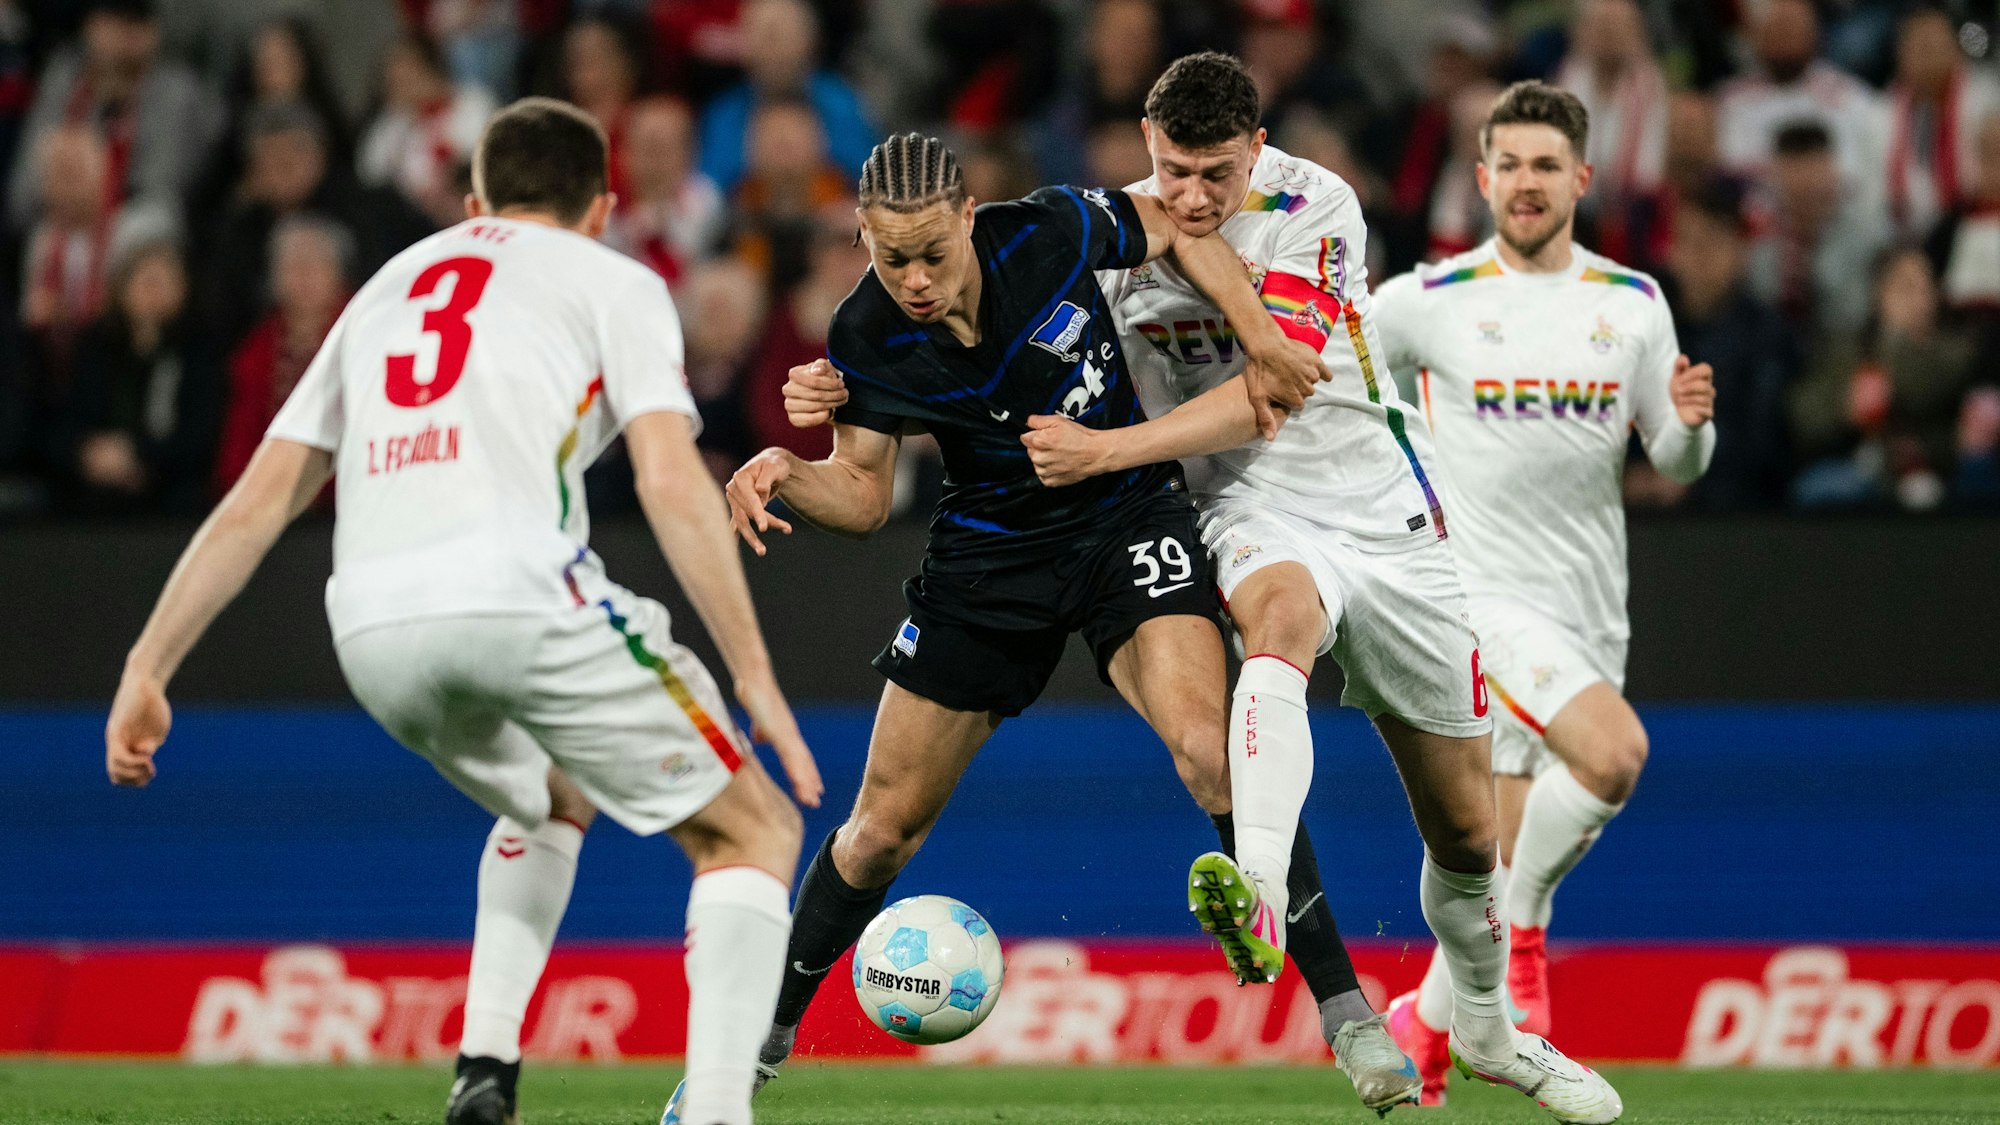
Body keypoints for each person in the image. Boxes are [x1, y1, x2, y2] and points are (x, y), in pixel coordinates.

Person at [775, 56, 1620, 1120]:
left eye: (1215, 174)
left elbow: (1263, 385)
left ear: (1256, 152)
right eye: (1172, 170)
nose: (1190, 197)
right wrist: (823, 419)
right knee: (1267, 633)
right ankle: (1280, 924)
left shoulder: (1308, 207)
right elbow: (867, 468)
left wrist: (1123, 438)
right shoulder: (983, 274)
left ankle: (1482, 1028)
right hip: (1210, 513)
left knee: (1462, 834)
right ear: (1142, 140)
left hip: (1371, 514)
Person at [102, 97, 820, 1125]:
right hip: (516, 593)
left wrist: (145, 668)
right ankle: (715, 1114)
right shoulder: (612, 276)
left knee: (549, 793)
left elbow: (260, 499)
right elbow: (667, 478)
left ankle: (483, 1072)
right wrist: (751, 672)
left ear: (476, 200)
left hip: (371, 630)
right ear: (600, 208)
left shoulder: (384, 288)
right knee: (751, 831)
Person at [704, 129, 1415, 1117]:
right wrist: (787, 471)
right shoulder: (865, 334)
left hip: (1123, 515)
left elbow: (1172, 225)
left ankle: (1346, 1015)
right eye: (888, 255)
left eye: (929, 252)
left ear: (965, 217)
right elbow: (863, 497)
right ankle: (754, 1048)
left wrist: (1257, 335)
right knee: (875, 836)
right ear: (863, 236)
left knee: (1210, 755)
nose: (911, 278)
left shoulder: (1044, 231)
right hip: (985, 560)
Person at [1358, 81, 1713, 1105]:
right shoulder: (1422, 303)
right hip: (1473, 600)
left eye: (1543, 166)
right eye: (1507, 165)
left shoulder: (1630, 303)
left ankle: (1423, 1022)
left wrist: (1689, 425)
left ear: (1580, 180)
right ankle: (1521, 950)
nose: (1524, 182)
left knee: (1499, 852)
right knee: (1610, 756)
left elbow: (1679, 460)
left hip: (1587, 608)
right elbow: (1336, 390)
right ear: (1479, 180)